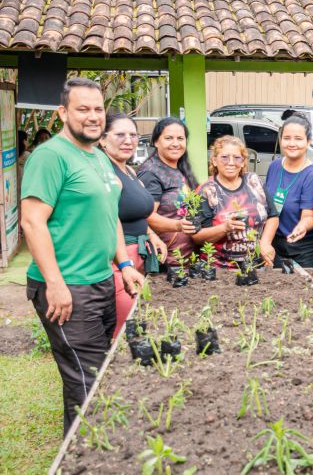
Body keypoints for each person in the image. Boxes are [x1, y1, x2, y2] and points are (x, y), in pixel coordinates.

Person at [20, 77, 144, 434]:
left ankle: (86, 445)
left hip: (101, 280)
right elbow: (32, 222)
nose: (93, 116)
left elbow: (110, 215)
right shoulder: (50, 156)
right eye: (83, 109)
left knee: (94, 374)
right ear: (63, 113)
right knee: (89, 381)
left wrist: (123, 264)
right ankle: (87, 451)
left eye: (98, 109)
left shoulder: (98, 157)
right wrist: (55, 284)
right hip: (68, 287)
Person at [99, 113, 168, 337]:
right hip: (118, 259)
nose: (128, 140)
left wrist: (152, 235)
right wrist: (123, 263)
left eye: (133, 135)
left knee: (140, 318)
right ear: (102, 139)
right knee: (126, 322)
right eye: (120, 134)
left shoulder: (128, 170)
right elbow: (110, 219)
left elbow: (137, 212)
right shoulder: (105, 174)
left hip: (137, 255)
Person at [193, 135, 279, 268]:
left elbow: (273, 215)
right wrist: (224, 228)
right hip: (219, 268)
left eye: (237, 158)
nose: (231, 162)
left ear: (243, 162)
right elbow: (196, 237)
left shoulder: (253, 181)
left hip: (254, 265)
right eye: (224, 157)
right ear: (214, 161)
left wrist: (265, 243)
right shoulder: (207, 191)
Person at [137, 117, 199, 265]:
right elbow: (147, 216)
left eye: (180, 138)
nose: (175, 143)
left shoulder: (180, 168)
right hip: (166, 260)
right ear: (156, 142)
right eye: (169, 138)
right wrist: (178, 225)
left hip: (186, 258)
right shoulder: (151, 173)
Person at [264, 115, 313, 270]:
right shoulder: (274, 166)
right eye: (287, 138)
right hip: (275, 243)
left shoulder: (312, 174)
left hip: (303, 247)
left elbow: (309, 216)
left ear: (308, 142)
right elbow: (267, 204)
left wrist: (302, 226)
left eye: (298, 139)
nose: (292, 144)